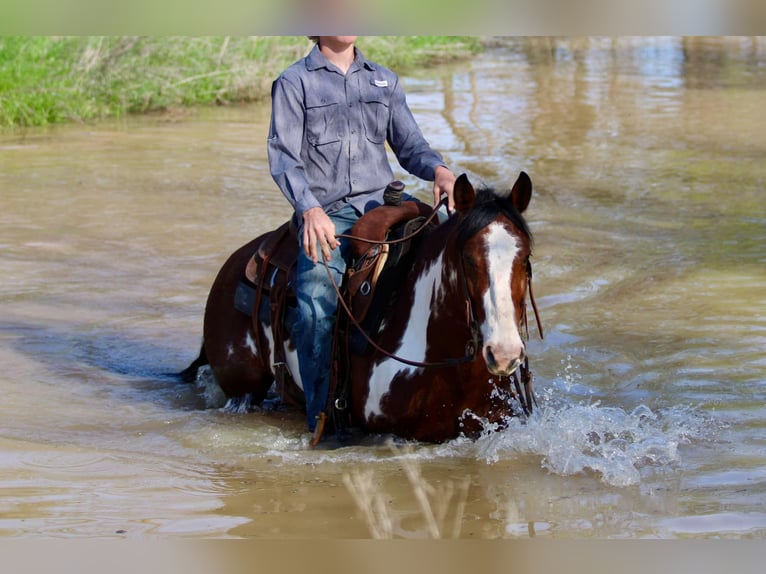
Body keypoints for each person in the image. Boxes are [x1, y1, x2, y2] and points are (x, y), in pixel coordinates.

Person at [267, 36, 456, 435]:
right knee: (318, 296)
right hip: (326, 212)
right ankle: (321, 417)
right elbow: (284, 156)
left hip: (381, 207)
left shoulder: (383, 81)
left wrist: (439, 170)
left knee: (445, 264)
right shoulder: (294, 81)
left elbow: (410, 146)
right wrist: (310, 209)